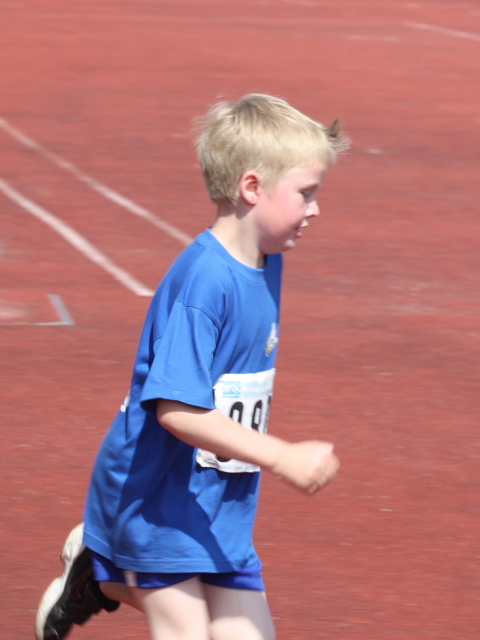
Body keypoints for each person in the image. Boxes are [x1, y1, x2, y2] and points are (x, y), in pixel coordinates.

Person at [35, 93, 348, 640]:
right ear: (252, 188)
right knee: (187, 632)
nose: (316, 208)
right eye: (306, 193)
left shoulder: (267, 259)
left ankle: (100, 576)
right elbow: (177, 410)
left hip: (220, 502)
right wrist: (282, 455)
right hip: (153, 499)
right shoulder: (204, 282)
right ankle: (105, 569)